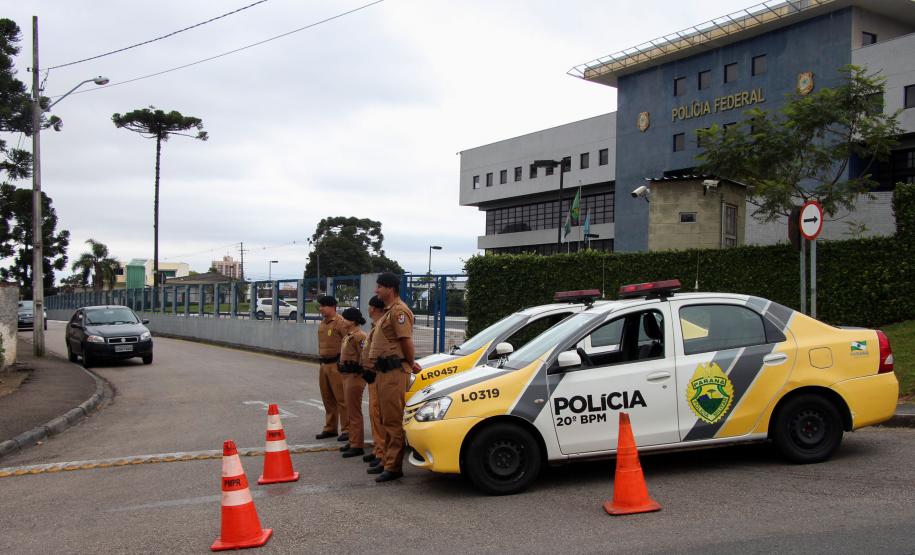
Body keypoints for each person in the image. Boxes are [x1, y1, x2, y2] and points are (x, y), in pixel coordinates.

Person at [367, 272, 421, 482]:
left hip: (394, 372)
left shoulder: (399, 312)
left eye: (379, 287)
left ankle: (393, 466)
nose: (376, 290)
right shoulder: (388, 312)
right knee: (384, 418)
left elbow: (406, 340)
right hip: (383, 372)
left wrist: (410, 361)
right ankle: (386, 460)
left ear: (390, 289)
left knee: (392, 420)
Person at [315, 295, 348, 443]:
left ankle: (347, 429)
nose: (321, 308)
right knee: (327, 398)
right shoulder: (323, 323)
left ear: (332, 307)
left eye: (323, 306)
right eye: (320, 306)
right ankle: (330, 427)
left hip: (336, 364)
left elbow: (348, 341)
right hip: (324, 364)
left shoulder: (340, 323)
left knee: (341, 399)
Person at [361, 296, 387, 468]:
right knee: (373, 414)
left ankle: (383, 452)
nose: (368, 309)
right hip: (371, 375)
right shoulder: (374, 326)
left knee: (379, 415)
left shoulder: (382, 326)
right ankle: (378, 449)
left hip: (379, 374)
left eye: (369, 306)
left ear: (374, 309)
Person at [339, 307, 368, 458]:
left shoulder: (360, 336)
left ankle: (357, 445)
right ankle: (352, 440)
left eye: (345, 318)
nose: (342, 320)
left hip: (355, 377)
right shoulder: (348, 335)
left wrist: (358, 367)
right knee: (350, 410)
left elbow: (364, 356)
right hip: (346, 376)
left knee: (354, 411)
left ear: (353, 321)